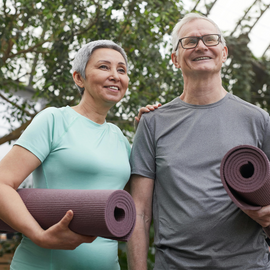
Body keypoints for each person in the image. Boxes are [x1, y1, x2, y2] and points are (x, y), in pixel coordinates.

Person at [127, 13, 270, 270]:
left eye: (210, 39)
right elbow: (139, 212)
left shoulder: (259, 120)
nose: (202, 46)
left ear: (224, 52)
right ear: (175, 59)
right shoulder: (152, 123)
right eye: (190, 41)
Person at [0, 40, 158, 270]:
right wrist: (38, 235)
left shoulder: (121, 139)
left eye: (121, 70)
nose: (115, 75)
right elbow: (3, 183)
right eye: (104, 67)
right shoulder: (54, 120)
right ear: (79, 78)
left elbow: (135, 204)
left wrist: (148, 132)